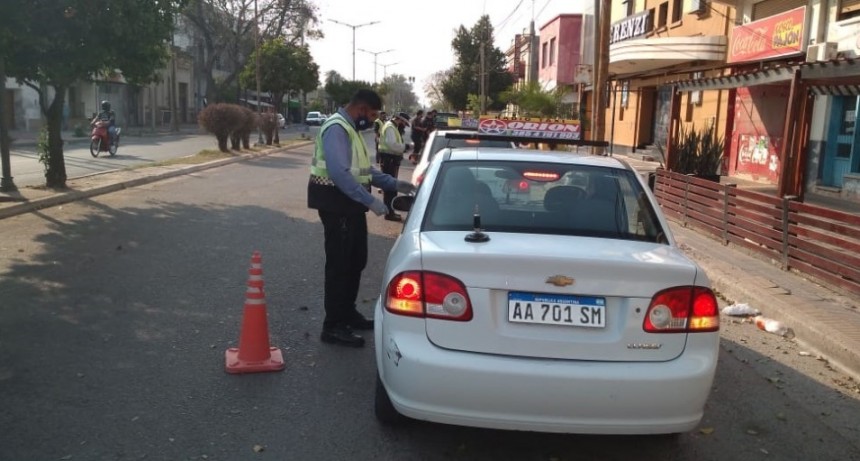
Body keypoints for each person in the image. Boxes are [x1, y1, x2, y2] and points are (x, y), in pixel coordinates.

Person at [307, 90, 416, 347]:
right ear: (362, 109)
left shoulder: (350, 128)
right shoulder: (336, 127)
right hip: (337, 206)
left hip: (351, 208)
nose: (374, 120)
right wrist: (373, 203)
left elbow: (365, 172)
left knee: (356, 261)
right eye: (374, 115)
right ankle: (333, 325)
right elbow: (341, 174)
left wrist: (397, 184)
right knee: (340, 265)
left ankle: (348, 314)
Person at [377, 112, 412, 222]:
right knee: (390, 188)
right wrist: (404, 147)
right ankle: (389, 213)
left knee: (391, 187)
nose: (403, 126)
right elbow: (391, 144)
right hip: (389, 160)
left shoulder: (392, 126)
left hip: (390, 160)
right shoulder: (390, 127)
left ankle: (390, 211)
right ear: (400, 120)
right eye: (403, 123)